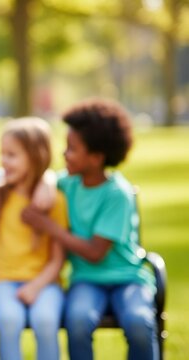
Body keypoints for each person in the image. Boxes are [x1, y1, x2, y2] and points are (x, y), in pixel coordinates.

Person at [22, 99, 158, 360]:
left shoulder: (117, 194)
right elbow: (39, 177)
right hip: (86, 280)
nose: (64, 154)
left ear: (96, 158)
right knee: (78, 320)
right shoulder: (68, 183)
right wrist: (47, 181)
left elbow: (96, 252)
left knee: (139, 323)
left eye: (72, 149)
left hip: (127, 278)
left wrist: (50, 227)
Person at [0, 118, 66, 360]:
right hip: (4, 282)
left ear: (36, 156)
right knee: (9, 320)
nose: (3, 161)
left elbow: (57, 260)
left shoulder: (55, 201)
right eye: (2, 154)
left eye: (11, 155)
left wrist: (36, 286)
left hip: (46, 283)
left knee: (45, 321)